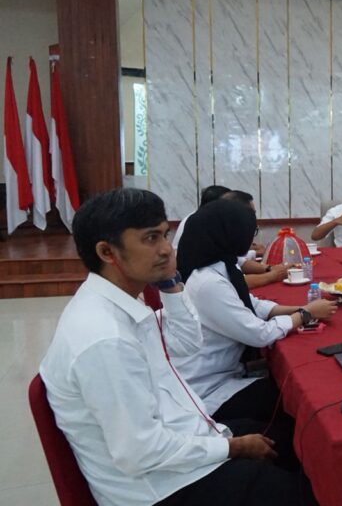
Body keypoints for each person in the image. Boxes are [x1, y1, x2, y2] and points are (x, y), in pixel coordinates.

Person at [38, 188, 313, 506]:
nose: (167, 250)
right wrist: (233, 447)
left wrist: (170, 285)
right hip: (163, 487)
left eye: (165, 235)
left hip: (185, 438)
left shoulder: (120, 301)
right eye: (151, 238)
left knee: (299, 439)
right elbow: (140, 451)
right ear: (107, 252)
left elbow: (187, 344)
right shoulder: (104, 338)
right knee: (306, 489)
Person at [174, 199, 337, 422]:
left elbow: (253, 305)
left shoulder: (222, 267)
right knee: (295, 400)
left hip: (225, 372)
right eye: (250, 231)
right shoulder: (208, 283)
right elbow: (259, 334)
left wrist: (302, 308)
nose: (252, 237)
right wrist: (304, 315)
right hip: (207, 388)